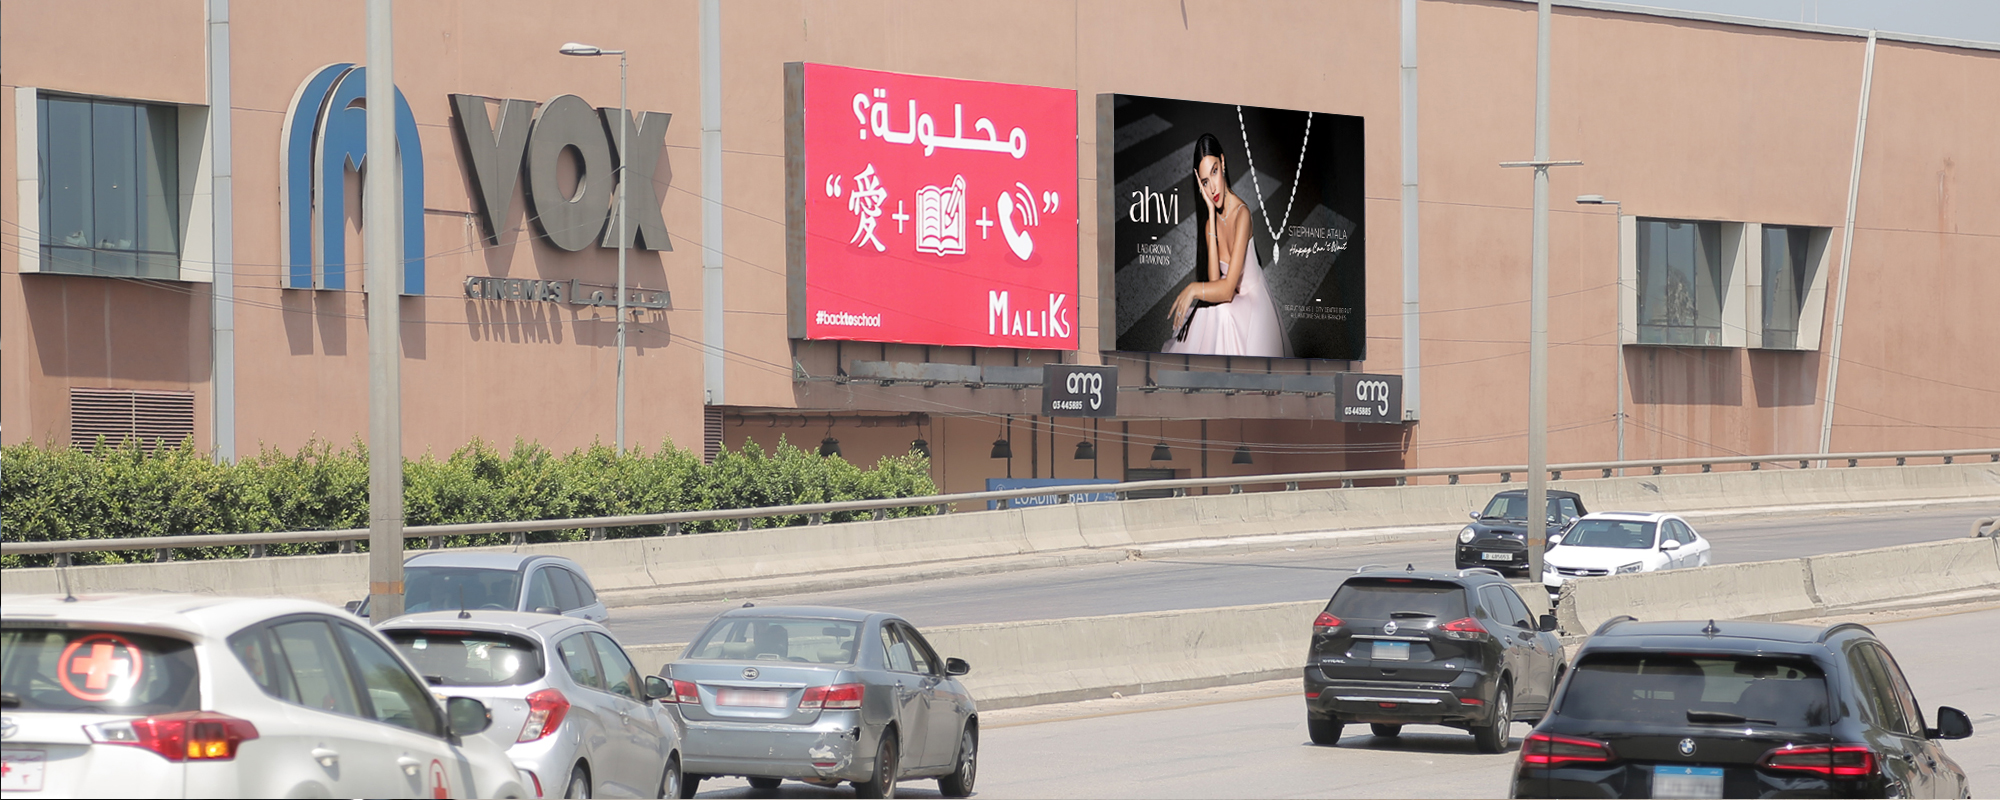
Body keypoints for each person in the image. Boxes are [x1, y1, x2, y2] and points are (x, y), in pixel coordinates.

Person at [1164, 133, 1287, 357]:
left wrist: (1192, 289)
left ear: (1223, 163)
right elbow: (1213, 280)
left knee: (1219, 311)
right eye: (1205, 181)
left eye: (1214, 171)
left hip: (1252, 303)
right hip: (1230, 301)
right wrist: (1210, 215)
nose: (1213, 188)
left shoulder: (1243, 215)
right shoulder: (1210, 222)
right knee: (1213, 310)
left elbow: (1227, 290)